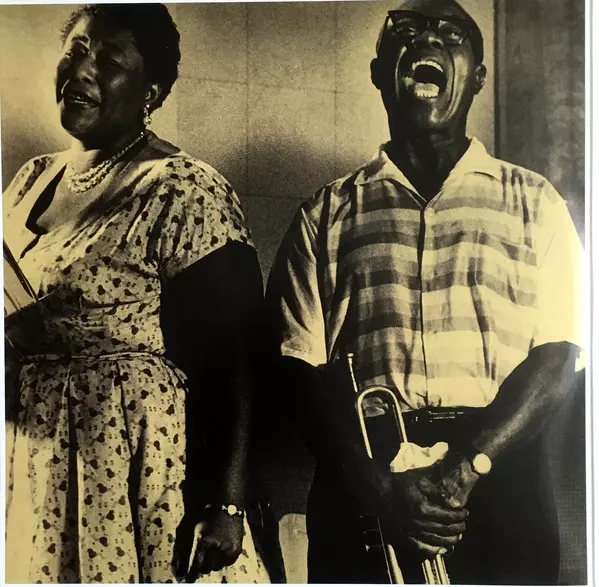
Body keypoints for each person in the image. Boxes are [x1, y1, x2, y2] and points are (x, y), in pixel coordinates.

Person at [265, 0, 584, 584]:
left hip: (500, 480)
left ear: (478, 77)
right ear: (378, 71)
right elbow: (295, 371)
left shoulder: (537, 203)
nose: (427, 40)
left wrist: (467, 467)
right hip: (364, 481)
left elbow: (559, 357)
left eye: (451, 33)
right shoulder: (324, 213)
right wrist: (377, 483)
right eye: (406, 31)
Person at [3, 4, 269, 583]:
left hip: (137, 469)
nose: (82, 70)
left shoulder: (184, 187)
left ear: (151, 91)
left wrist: (227, 503)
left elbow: (239, 357)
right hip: (40, 462)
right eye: (75, 50)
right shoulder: (29, 181)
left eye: (109, 60)